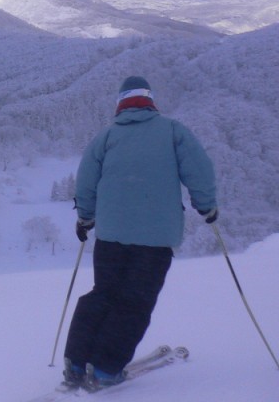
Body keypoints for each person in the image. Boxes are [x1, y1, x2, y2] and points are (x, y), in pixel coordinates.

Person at [63, 75, 217, 391]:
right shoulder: (173, 132)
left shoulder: (106, 137)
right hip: (155, 239)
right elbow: (199, 171)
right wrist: (207, 207)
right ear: (150, 102)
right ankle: (106, 369)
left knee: (103, 293)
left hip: (111, 236)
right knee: (134, 301)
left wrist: (85, 219)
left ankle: (77, 362)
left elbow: (86, 181)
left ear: (121, 105)